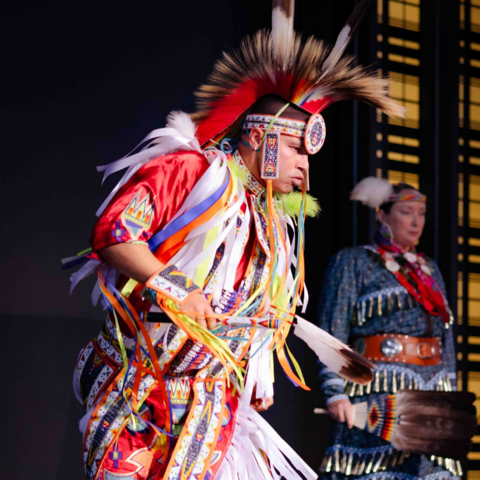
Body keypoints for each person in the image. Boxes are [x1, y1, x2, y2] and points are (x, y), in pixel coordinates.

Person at [65, 3, 402, 479]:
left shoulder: (271, 226)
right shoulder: (191, 173)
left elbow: (264, 312)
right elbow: (114, 235)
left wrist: (259, 367)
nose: (306, 167)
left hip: (212, 403)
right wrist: (177, 287)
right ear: (261, 138)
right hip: (138, 386)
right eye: (295, 149)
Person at [317, 177, 459, 480]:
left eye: (420, 213)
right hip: (377, 392)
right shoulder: (353, 262)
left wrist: (451, 399)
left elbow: (446, 341)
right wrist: (335, 393)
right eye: (406, 212)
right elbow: (332, 331)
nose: (416, 221)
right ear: (382, 214)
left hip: (430, 392)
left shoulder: (430, 271)